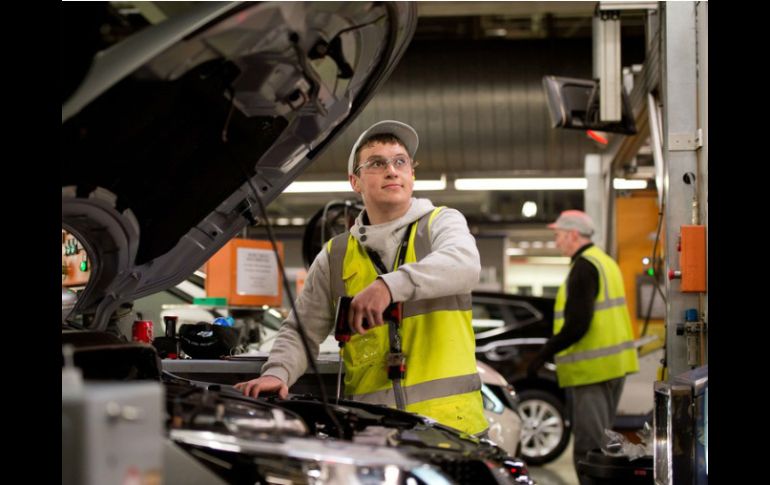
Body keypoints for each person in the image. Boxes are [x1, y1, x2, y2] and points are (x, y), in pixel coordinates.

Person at [235, 120, 488, 436]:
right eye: (377, 163)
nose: (391, 170)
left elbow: (464, 264)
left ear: (412, 174)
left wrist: (388, 286)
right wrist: (278, 372)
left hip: (452, 430)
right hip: (373, 432)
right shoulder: (336, 254)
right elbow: (302, 329)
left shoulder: (440, 223)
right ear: (355, 181)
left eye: (400, 162)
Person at [527, 210, 639, 484]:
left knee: (589, 449)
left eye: (558, 236)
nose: (556, 243)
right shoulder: (605, 262)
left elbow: (578, 324)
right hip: (613, 368)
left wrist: (544, 353)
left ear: (573, 234)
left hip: (593, 372)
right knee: (604, 444)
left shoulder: (583, 267)